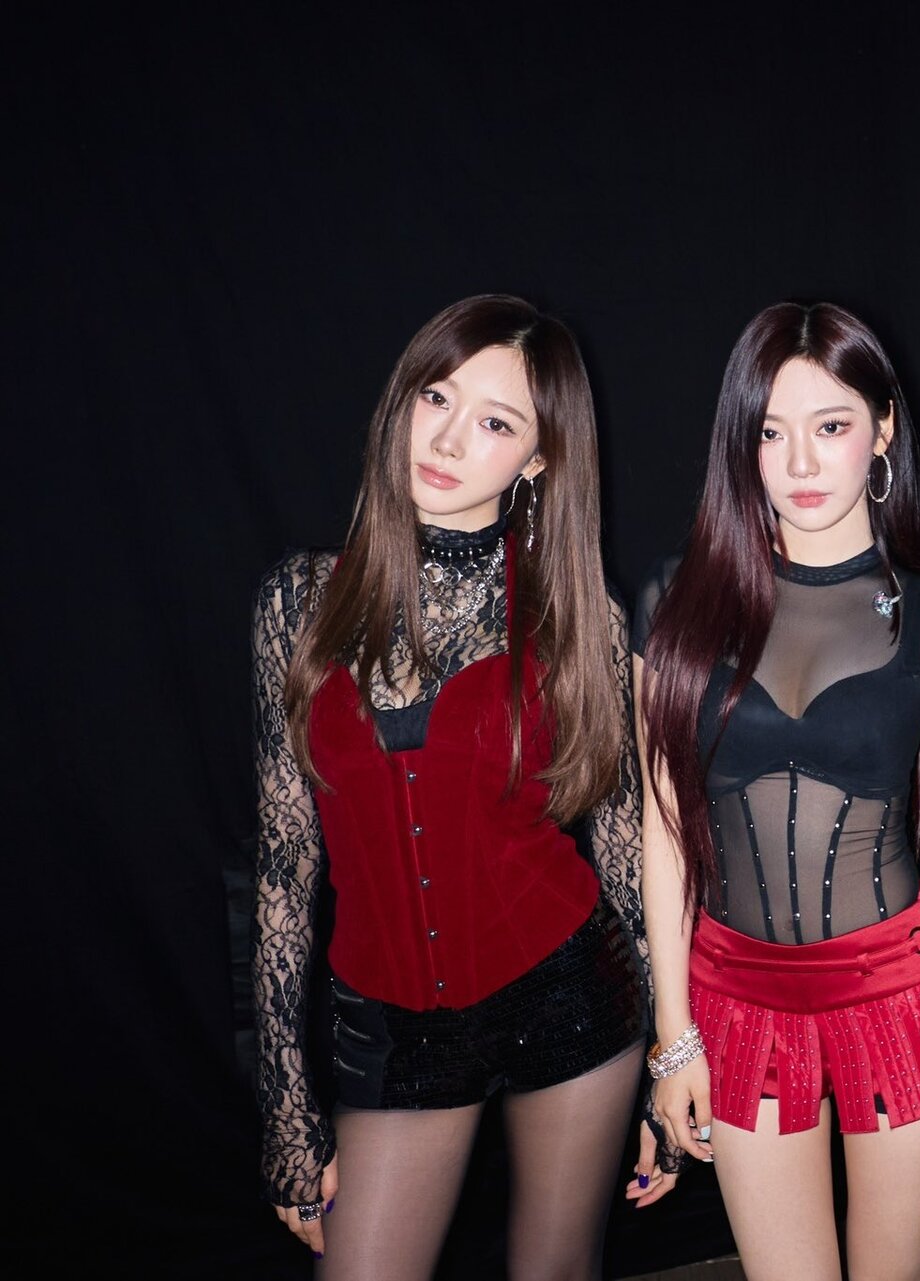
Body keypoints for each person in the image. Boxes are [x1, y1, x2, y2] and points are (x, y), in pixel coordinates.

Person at [250, 294, 674, 1279]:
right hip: (392, 1031)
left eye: (495, 422)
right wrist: (284, 1103)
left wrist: (668, 1063)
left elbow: (627, 855)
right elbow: (282, 873)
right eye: (436, 397)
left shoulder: (581, 618)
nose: (446, 439)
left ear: (539, 459)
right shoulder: (297, 603)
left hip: (570, 997)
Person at [632, 301, 920, 1281]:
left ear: (883, 430)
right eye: (771, 432)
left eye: (831, 425)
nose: (800, 462)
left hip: (898, 991)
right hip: (736, 998)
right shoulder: (675, 603)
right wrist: (672, 1037)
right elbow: (664, 831)